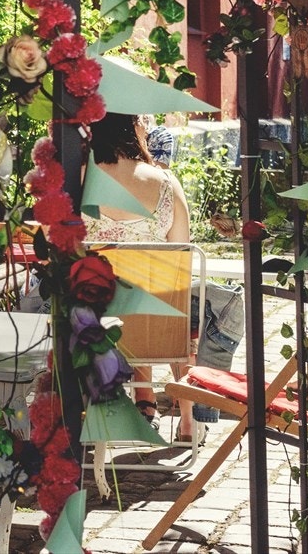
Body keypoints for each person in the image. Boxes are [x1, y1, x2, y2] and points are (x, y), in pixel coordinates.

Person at [85, 112, 197, 441]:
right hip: (157, 326)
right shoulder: (166, 184)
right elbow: (182, 259)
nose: (147, 128)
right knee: (185, 304)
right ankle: (189, 422)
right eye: (142, 121)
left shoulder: (80, 180)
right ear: (129, 126)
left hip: (95, 326)